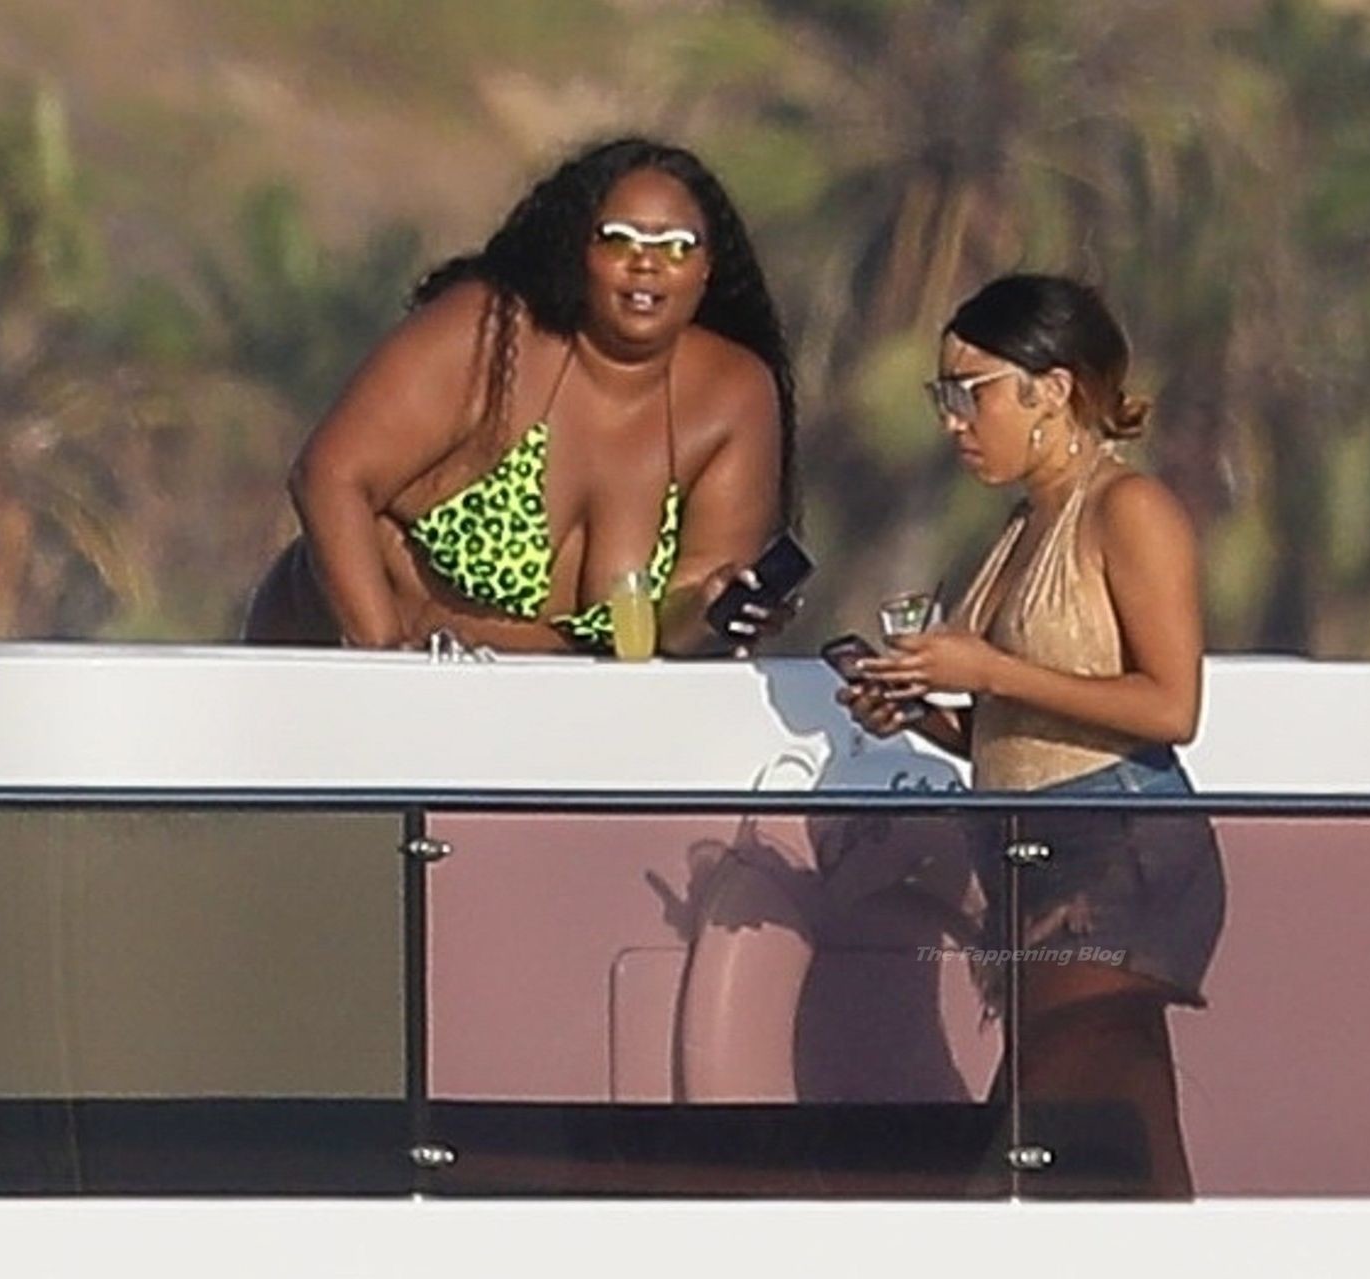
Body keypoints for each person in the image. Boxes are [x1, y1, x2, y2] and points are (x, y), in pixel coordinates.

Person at [839, 273, 1225, 1197]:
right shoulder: (1022, 526)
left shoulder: (1129, 509)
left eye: (969, 391)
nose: (953, 420)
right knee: (1123, 1127)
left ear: (1050, 389)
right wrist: (921, 709)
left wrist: (986, 670)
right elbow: (1018, 730)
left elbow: (1171, 706)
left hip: (1116, 849)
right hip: (1032, 857)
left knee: (1030, 1138)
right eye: (943, 394)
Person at [242, 137, 797, 654]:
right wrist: (390, 668)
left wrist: (717, 608)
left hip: (544, 707)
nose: (646, 263)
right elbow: (329, 476)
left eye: (677, 246)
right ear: (578, 250)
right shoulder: (491, 333)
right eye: (618, 239)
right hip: (337, 665)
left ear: (707, 268)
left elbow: (676, 627)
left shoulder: (733, 395)